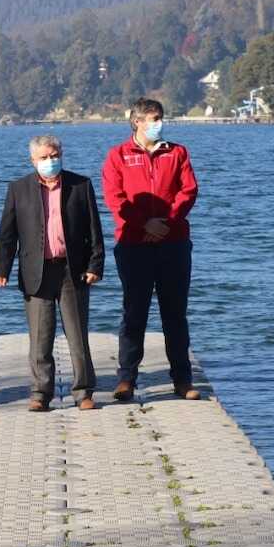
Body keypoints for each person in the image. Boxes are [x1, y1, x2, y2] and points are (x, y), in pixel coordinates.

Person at [0, 135, 104, 412]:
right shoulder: (18, 189)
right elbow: (7, 234)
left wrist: (95, 265)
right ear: (33, 160)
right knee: (40, 338)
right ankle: (41, 392)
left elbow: (94, 231)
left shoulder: (80, 185)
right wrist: (1, 268)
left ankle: (83, 392)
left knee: (77, 335)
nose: (50, 161)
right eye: (43, 157)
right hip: (36, 273)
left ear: (61, 154)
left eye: (54, 155)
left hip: (72, 270)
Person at [101, 98, 201, 402]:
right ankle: (126, 379)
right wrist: (145, 224)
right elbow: (115, 198)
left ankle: (182, 380)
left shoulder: (178, 152)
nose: (158, 123)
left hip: (174, 243)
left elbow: (189, 190)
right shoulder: (117, 155)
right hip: (133, 244)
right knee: (134, 314)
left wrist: (167, 222)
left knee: (175, 314)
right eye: (152, 118)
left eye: (160, 117)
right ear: (137, 121)